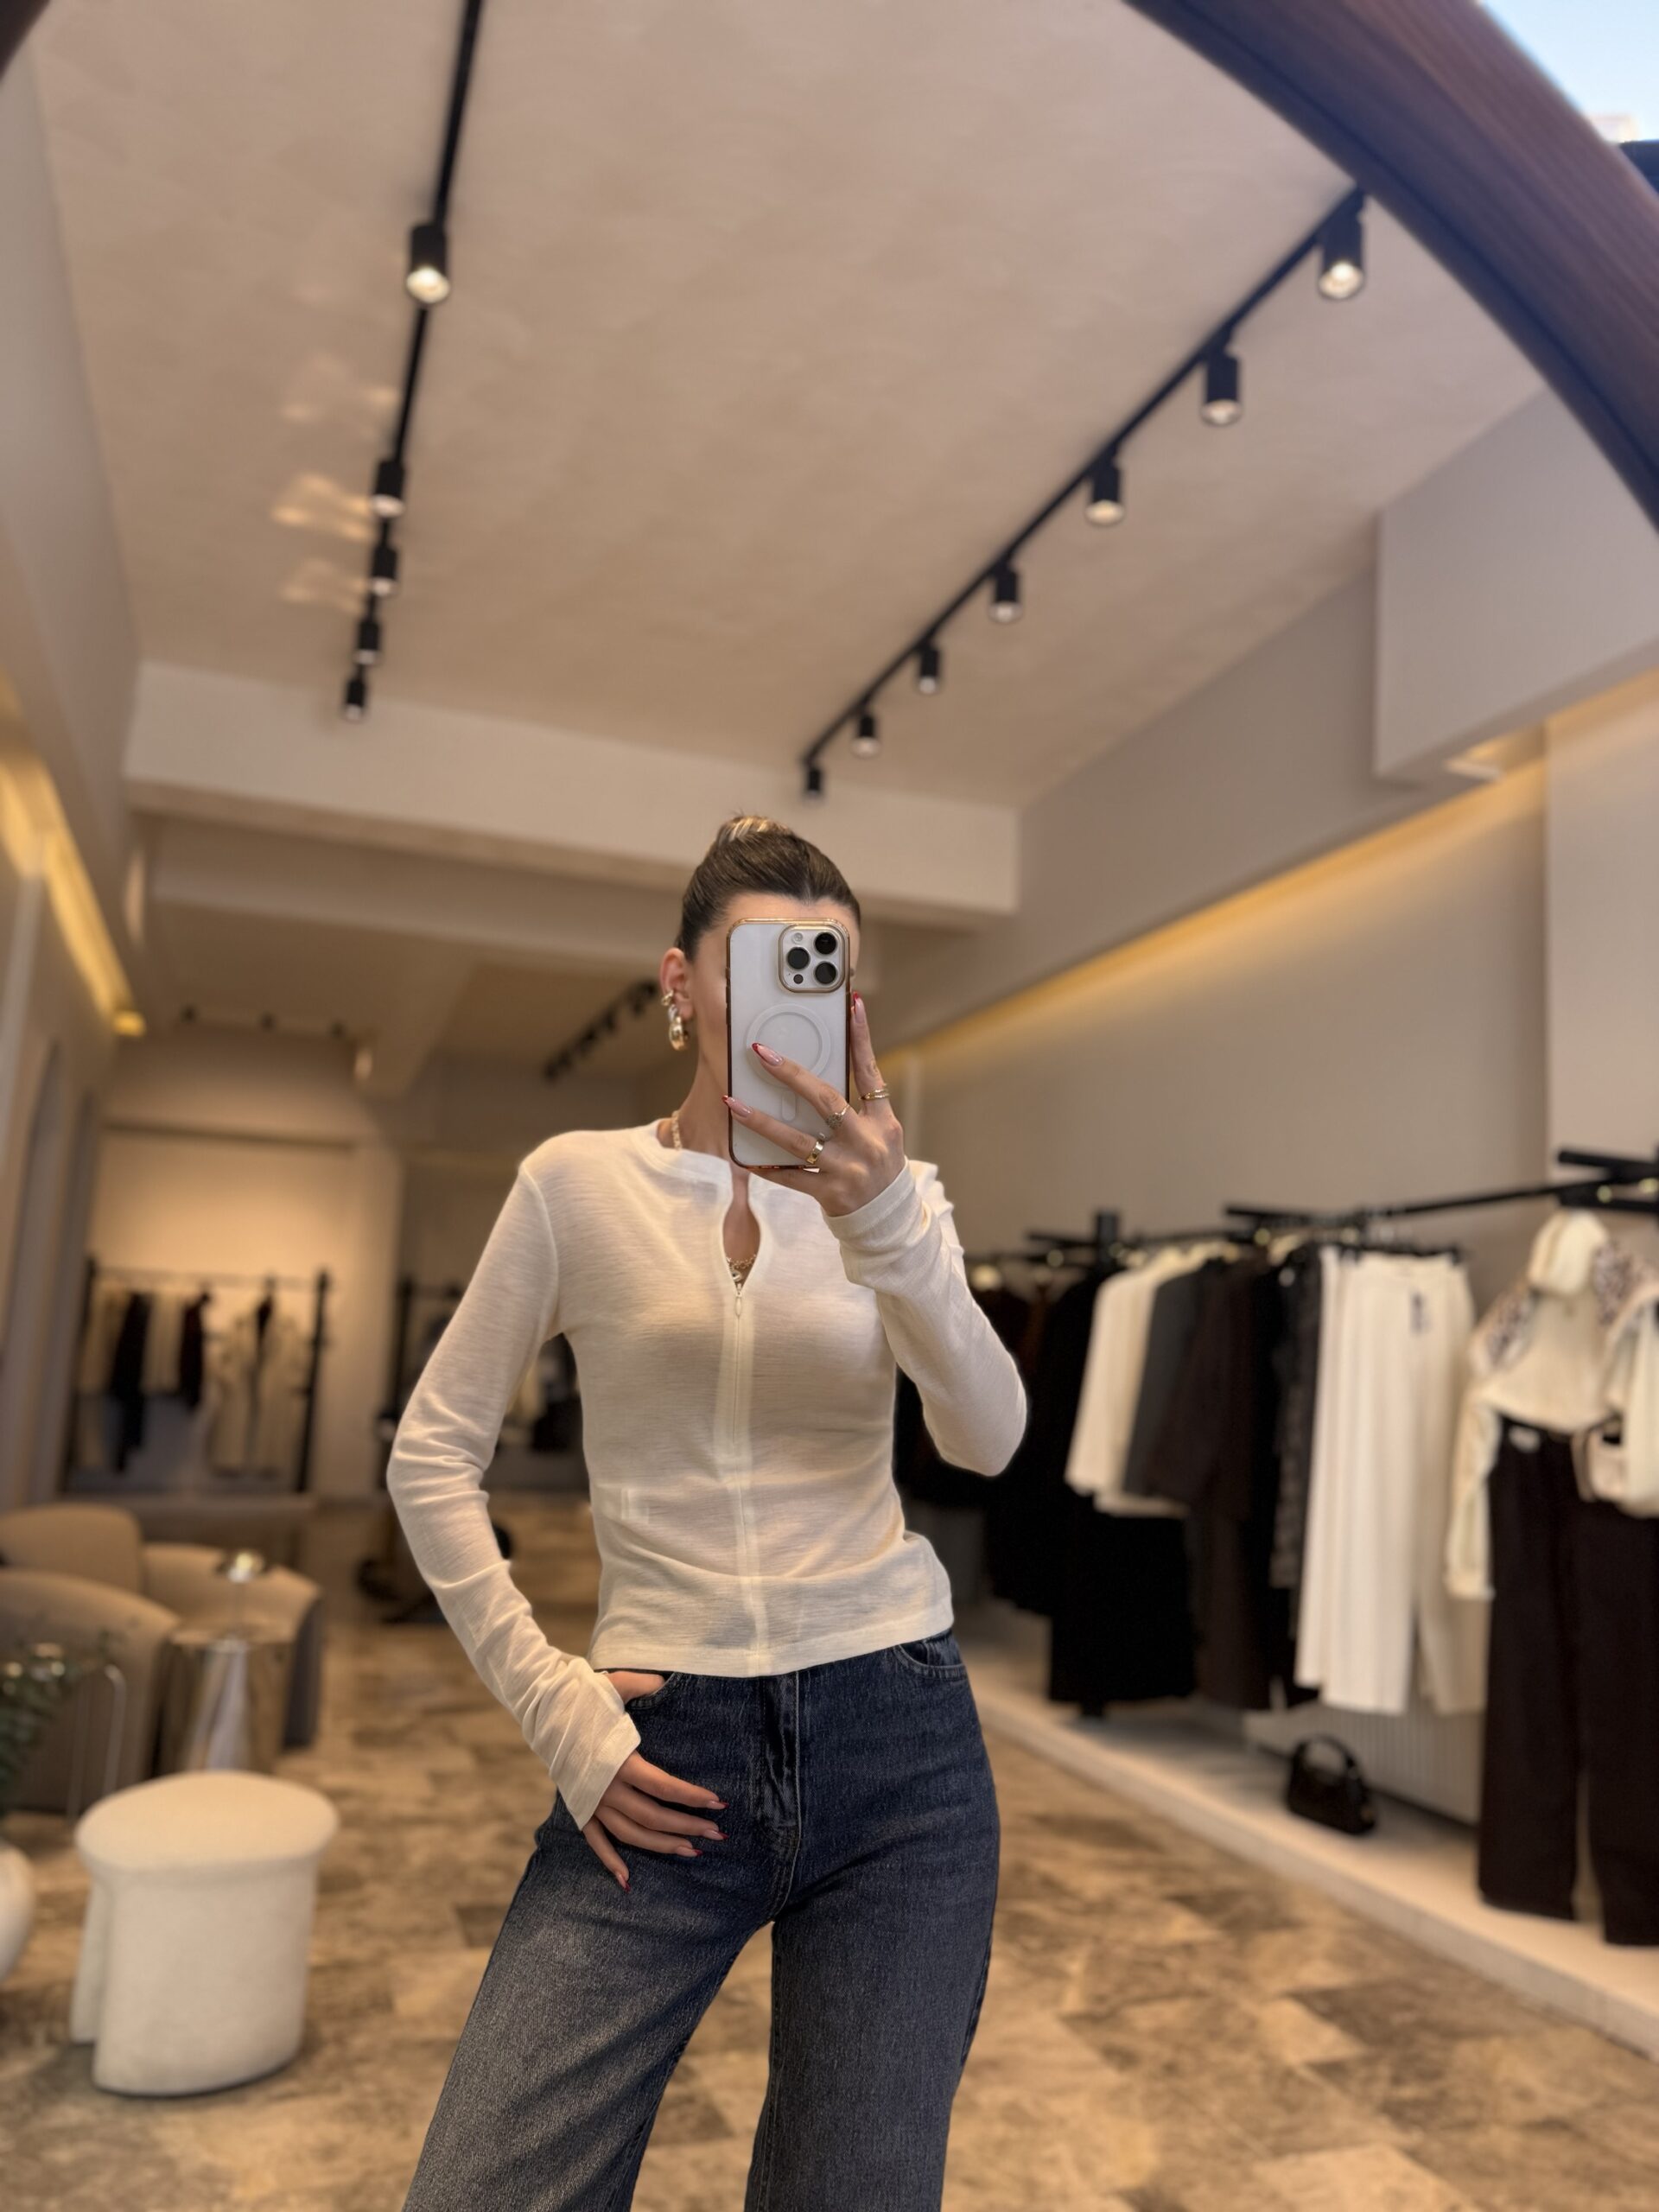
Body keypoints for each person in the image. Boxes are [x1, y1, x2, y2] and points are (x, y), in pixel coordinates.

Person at [387, 813, 1028, 2210]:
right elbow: (430, 1454)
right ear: (680, 984)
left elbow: (987, 1439)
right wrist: (551, 1702)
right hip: (660, 1748)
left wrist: (888, 1228)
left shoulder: (899, 1201)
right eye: (763, 967)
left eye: (825, 975)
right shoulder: (575, 1184)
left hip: (900, 1745)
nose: (798, 1008)